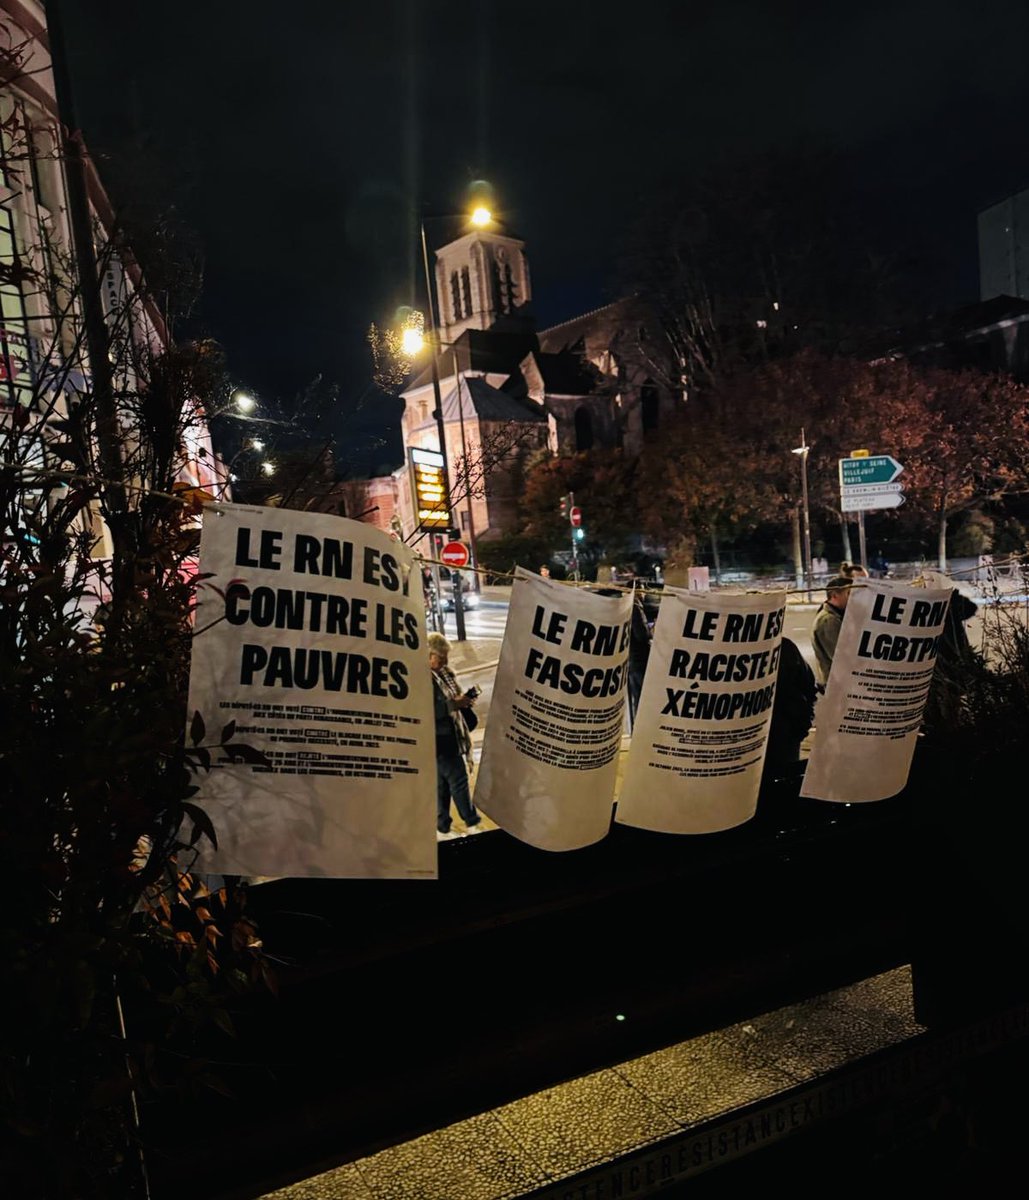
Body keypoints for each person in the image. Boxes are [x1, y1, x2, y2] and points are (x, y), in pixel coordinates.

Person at [428, 631, 483, 838]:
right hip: (440, 737)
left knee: (442, 784)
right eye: (440, 657)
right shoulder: (421, 679)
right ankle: (471, 822)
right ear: (428, 655)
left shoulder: (445, 674)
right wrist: (454, 704)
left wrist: (464, 701)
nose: (445, 661)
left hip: (449, 735)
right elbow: (428, 709)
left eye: (446, 656)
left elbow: (452, 699)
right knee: (458, 780)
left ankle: (442, 827)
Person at [763, 637, 816, 781]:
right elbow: (809, 688)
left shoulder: (783, 648)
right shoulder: (783, 647)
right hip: (784, 741)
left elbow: (808, 689)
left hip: (782, 740)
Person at [812, 575, 854, 685]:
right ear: (834, 595)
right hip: (837, 684)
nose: (853, 598)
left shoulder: (835, 615)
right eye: (849, 593)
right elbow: (841, 657)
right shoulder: (829, 620)